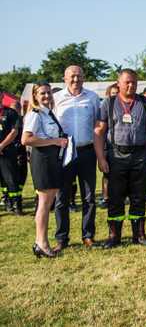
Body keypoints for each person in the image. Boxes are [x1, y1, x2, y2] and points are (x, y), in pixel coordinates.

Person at [94, 69, 146, 248]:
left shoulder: (145, 103)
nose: (131, 86)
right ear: (119, 83)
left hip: (140, 155)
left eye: (134, 83)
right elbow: (99, 131)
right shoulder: (108, 103)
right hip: (116, 155)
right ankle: (114, 236)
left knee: (138, 196)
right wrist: (101, 157)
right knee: (115, 197)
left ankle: (139, 234)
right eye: (127, 82)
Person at [53, 65, 101, 250]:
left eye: (79, 76)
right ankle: (62, 238)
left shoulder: (92, 97)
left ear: (84, 78)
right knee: (62, 197)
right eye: (72, 76)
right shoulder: (56, 98)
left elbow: (99, 125)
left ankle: (88, 235)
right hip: (64, 153)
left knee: (89, 197)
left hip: (87, 151)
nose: (76, 79)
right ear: (65, 78)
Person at [22, 82, 68, 258]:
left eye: (49, 92)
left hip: (51, 160)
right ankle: (41, 243)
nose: (47, 96)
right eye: (42, 93)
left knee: (47, 203)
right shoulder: (35, 114)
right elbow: (26, 139)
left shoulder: (47, 113)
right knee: (44, 203)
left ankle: (42, 242)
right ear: (35, 96)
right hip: (42, 160)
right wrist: (54, 142)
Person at [0, 91, 22, 215]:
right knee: (2, 181)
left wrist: (2, 146)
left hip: (8, 151)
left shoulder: (10, 112)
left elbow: (14, 132)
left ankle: (17, 204)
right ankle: (7, 201)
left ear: (2, 96)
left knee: (11, 179)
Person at [98, 83, 119, 209]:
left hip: (121, 147)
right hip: (108, 145)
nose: (115, 96)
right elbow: (100, 130)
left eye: (117, 93)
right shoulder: (105, 107)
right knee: (107, 174)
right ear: (108, 95)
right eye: (113, 94)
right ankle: (106, 197)